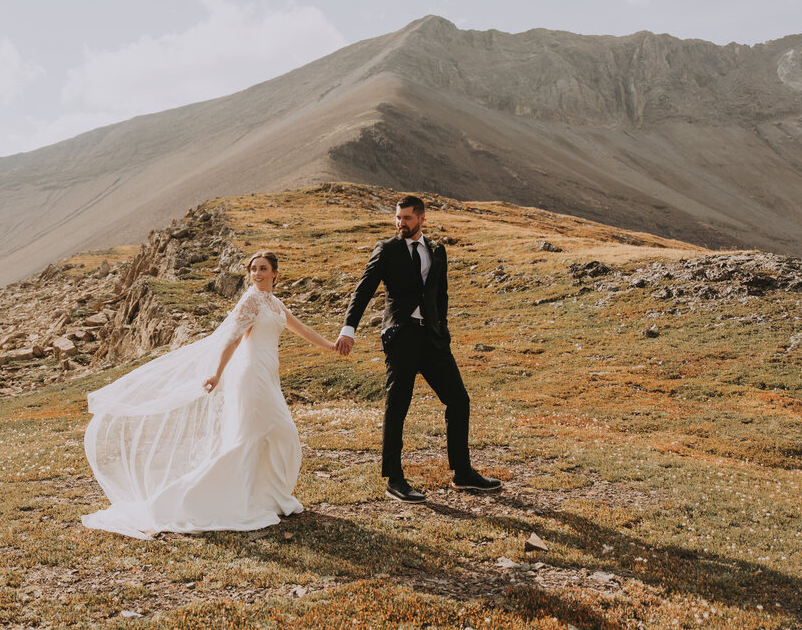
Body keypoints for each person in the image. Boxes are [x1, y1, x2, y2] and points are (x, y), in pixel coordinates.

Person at [82, 251, 336, 538]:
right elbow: (232, 339)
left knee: (280, 433)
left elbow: (301, 329)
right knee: (253, 437)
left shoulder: (274, 303)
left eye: (263, 269)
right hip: (251, 376)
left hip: (268, 375)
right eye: (253, 269)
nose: (257, 274)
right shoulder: (251, 299)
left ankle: (265, 496)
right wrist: (216, 372)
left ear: (275, 273)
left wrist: (332, 346)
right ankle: (200, 499)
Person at [336, 195, 501, 503]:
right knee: (397, 406)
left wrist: (443, 330)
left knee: (458, 400)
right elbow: (364, 289)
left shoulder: (437, 251)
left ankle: (463, 473)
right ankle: (394, 479)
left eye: (407, 219)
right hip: (402, 337)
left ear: (422, 218)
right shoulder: (387, 250)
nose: (401, 224)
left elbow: (441, 295)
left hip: (433, 339)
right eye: (398, 218)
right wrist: (349, 329)